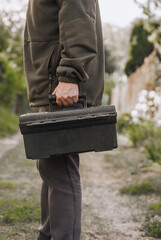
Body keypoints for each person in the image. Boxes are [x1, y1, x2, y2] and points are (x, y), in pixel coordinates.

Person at [24, 1, 104, 240]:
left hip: (61, 85)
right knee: (50, 166)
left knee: (60, 170)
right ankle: (47, 235)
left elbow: (78, 20)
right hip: (52, 84)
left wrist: (70, 76)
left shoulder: (66, 79)